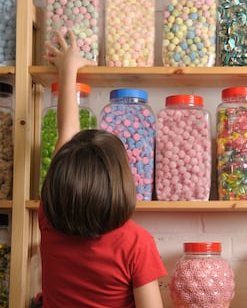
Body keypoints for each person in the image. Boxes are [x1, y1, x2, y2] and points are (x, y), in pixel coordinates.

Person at [39, 29, 167, 308]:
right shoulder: (136, 242)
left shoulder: (49, 219)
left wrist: (68, 68)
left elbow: (66, 132)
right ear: (122, 182)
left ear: (62, 179)